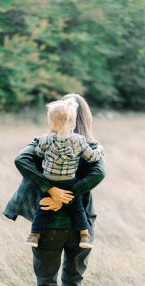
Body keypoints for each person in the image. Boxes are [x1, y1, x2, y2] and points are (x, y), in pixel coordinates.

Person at [2, 93, 106, 286]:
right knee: (72, 282)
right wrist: (71, 192)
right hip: (82, 225)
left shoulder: (42, 141)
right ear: (84, 117)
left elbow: (22, 159)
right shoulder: (91, 146)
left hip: (47, 224)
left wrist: (51, 190)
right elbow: (100, 171)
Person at [25, 98, 104, 249]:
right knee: (77, 208)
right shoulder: (79, 140)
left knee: (42, 208)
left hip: (49, 181)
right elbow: (92, 157)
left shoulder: (45, 139)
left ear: (51, 123)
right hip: (69, 181)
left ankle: (34, 235)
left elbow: (38, 153)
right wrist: (99, 149)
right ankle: (84, 236)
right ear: (73, 123)